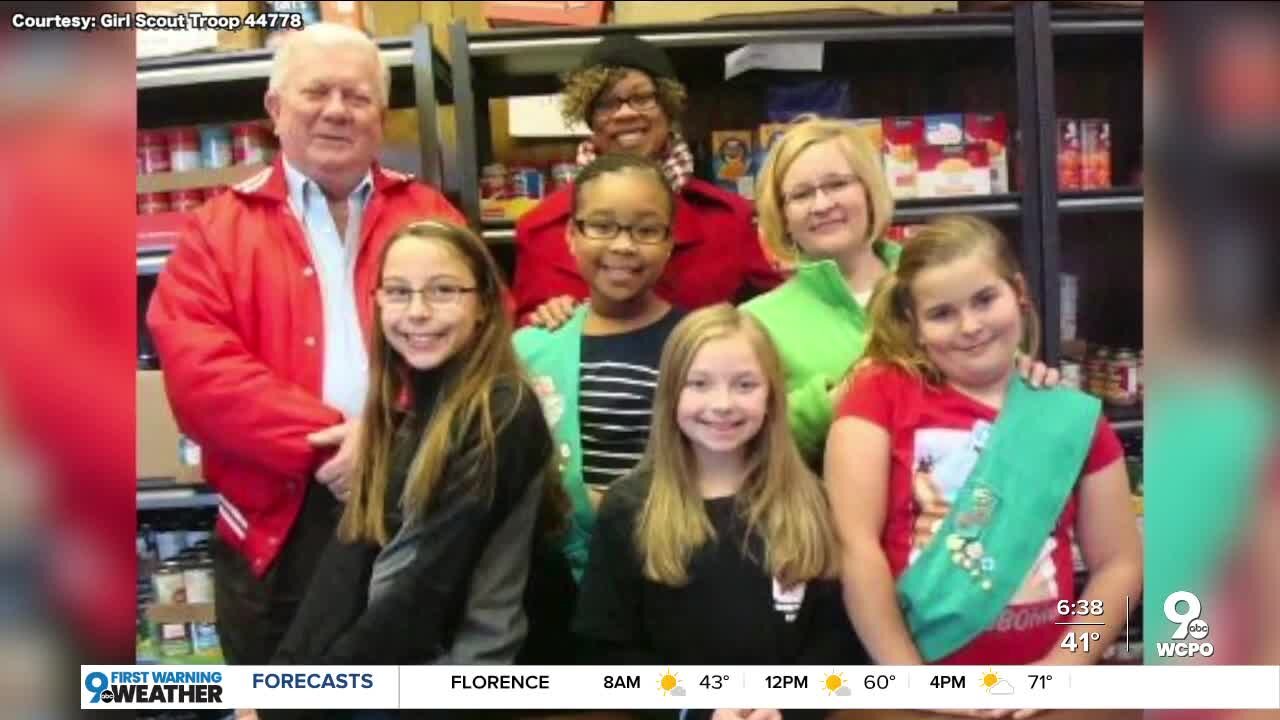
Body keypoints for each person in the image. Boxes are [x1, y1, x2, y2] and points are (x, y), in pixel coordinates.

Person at [145, 22, 465, 666]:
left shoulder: (434, 217)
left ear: (382, 114)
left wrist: (387, 447)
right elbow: (201, 377)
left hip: (418, 503)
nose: (337, 111)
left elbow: (480, 349)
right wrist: (336, 441)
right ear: (275, 107)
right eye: (317, 91)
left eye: (358, 96)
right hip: (278, 525)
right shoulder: (216, 231)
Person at [826, 215, 1143, 669]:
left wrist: (1062, 666)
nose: (970, 326)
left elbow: (1119, 566)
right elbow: (855, 547)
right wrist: (910, 677)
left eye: (985, 300)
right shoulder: (879, 395)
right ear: (914, 324)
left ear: (1019, 293)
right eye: (942, 314)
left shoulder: (1073, 419)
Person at [269, 220, 561, 669]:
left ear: (483, 304)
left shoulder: (501, 411)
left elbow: (428, 585)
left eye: (443, 291)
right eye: (399, 292)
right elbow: (347, 564)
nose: (417, 312)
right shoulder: (406, 413)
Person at [573, 305, 863, 720]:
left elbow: (837, 640)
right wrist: (698, 708)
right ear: (671, 393)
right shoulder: (629, 507)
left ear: (771, 396)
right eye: (699, 384)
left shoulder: (812, 500)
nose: (722, 404)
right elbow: (607, 654)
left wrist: (788, 706)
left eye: (745, 384)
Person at [745, 118, 1055, 465]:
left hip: (970, 504)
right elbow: (748, 445)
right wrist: (836, 399)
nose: (821, 205)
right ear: (782, 214)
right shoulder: (757, 322)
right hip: (835, 514)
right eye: (801, 194)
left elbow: (988, 368)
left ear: (869, 190)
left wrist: (1024, 379)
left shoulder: (936, 279)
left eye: (836, 184)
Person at [513, 34, 781, 328]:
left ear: (667, 105)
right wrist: (544, 317)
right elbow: (523, 342)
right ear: (590, 118)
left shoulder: (731, 221)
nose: (626, 113)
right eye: (606, 103)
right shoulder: (539, 229)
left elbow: (781, 315)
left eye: (642, 98)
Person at [515, 153, 688, 582]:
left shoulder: (699, 345)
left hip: (669, 568)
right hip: (558, 581)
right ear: (571, 235)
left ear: (669, 242)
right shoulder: (534, 348)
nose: (623, 245)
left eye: (646, 230)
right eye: (602, 225)